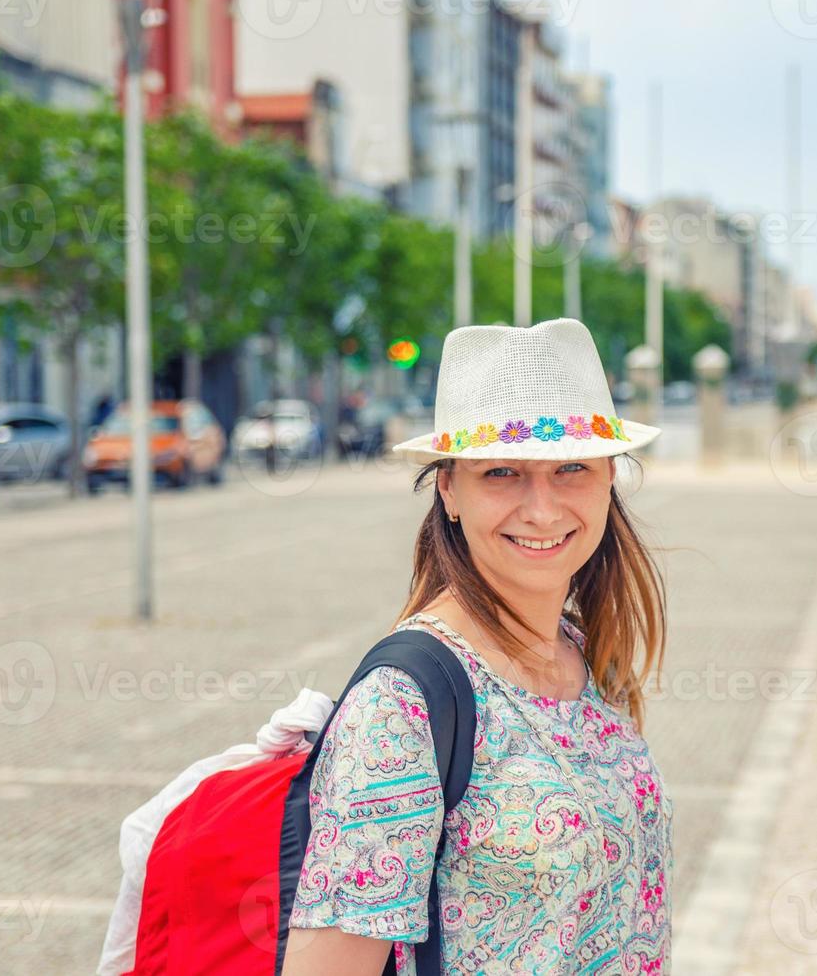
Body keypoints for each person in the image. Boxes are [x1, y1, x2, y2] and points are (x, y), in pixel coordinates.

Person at [284, 318, 674, 975]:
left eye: (571, 468)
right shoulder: (402, 707)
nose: (543, 509)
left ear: (611, 476)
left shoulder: (585, 653)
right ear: (449, 489)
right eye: (501, 473)